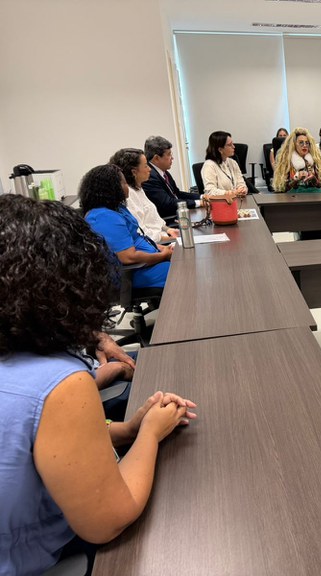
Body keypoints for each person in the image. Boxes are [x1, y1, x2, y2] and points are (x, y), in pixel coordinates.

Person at [0, 194, 196, 575]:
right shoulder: (59, 384)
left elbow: (40, 447)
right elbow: (109, 519)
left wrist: (128, 429)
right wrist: (150, 435)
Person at [80, 164, 173, 289]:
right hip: (134, 274)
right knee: (184, 270)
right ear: (112, 188)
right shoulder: (103, 217)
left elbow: (138, 238)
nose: (127, 187)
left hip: (148, 264)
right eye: (124, 183)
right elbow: (128, 257)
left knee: (185, 261)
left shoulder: (118, 208)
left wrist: (163, 249)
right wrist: (162, 256)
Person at [110, 148, 179, 244]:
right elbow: (141, 233)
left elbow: (154, 221)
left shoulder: (138, 188)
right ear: (134, 172)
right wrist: (172, 239)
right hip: (155, 244)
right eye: (146, 166)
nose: (150, 169)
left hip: (163, 238)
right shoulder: (128, 195)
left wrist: (169, 230)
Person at [142, 135, 202, 219]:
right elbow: (168, 203)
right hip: (169, 219)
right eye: (169, 154)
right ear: (156, 158)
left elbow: (177, 194)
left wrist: (201, 197)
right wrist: (198, 203)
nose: (172, 158)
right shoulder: (149, 176)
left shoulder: (163, 172)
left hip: (177, 214)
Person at [273, 127, 321, 192]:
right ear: (294, 144)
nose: (304, 145)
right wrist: (296, 180)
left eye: (307, 143)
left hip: (313, 195)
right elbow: (283, 188)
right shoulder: (287, 161)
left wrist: (314, 180)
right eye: (301, 142)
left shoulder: (314, 160)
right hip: (294, 196)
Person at [201, 131, 248, 199]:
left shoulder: (233, 162)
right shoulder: (209, 166)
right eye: (230, 145)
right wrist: (231, 193)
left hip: (236, 200)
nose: (234, 147)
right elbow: (210, 191)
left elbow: (241, 182)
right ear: (220, 149)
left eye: (232, 144)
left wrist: (243, 189)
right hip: (220, 203)